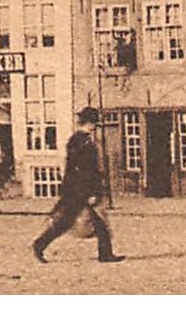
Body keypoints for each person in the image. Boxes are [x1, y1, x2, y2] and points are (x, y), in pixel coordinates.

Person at [33, 107, 123, 263]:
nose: (95, 127)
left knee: (72, 221)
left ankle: (40, 245)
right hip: (80, 189)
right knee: (87, 222)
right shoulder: (83, 142)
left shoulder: (77, 140)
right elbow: (85, 170)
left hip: (75, 188)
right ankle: (39, 245)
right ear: (88, 123)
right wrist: (91, 192)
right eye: (94, 123)